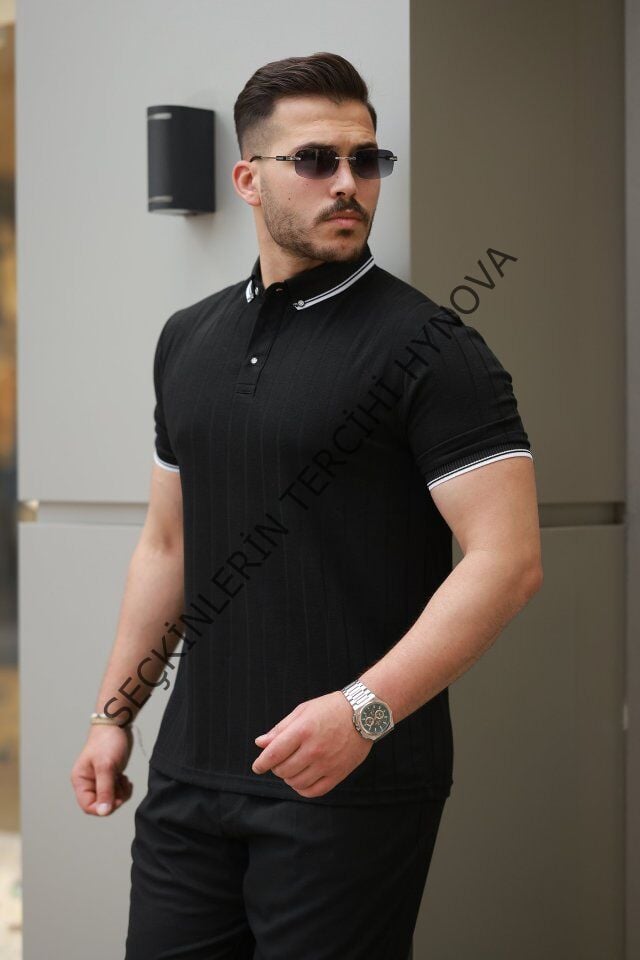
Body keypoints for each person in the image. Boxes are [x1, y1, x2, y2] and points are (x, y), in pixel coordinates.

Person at [70, 51, 543, 960]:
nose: (348, 182)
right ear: (248, 179)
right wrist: (113, 714)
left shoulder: (434, 349)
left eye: (367, 160)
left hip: (351, 781)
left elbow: (507, 560)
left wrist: (365, 712)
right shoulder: (187, 339)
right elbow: (168, 546)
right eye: (317, 160)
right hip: (191, 774)